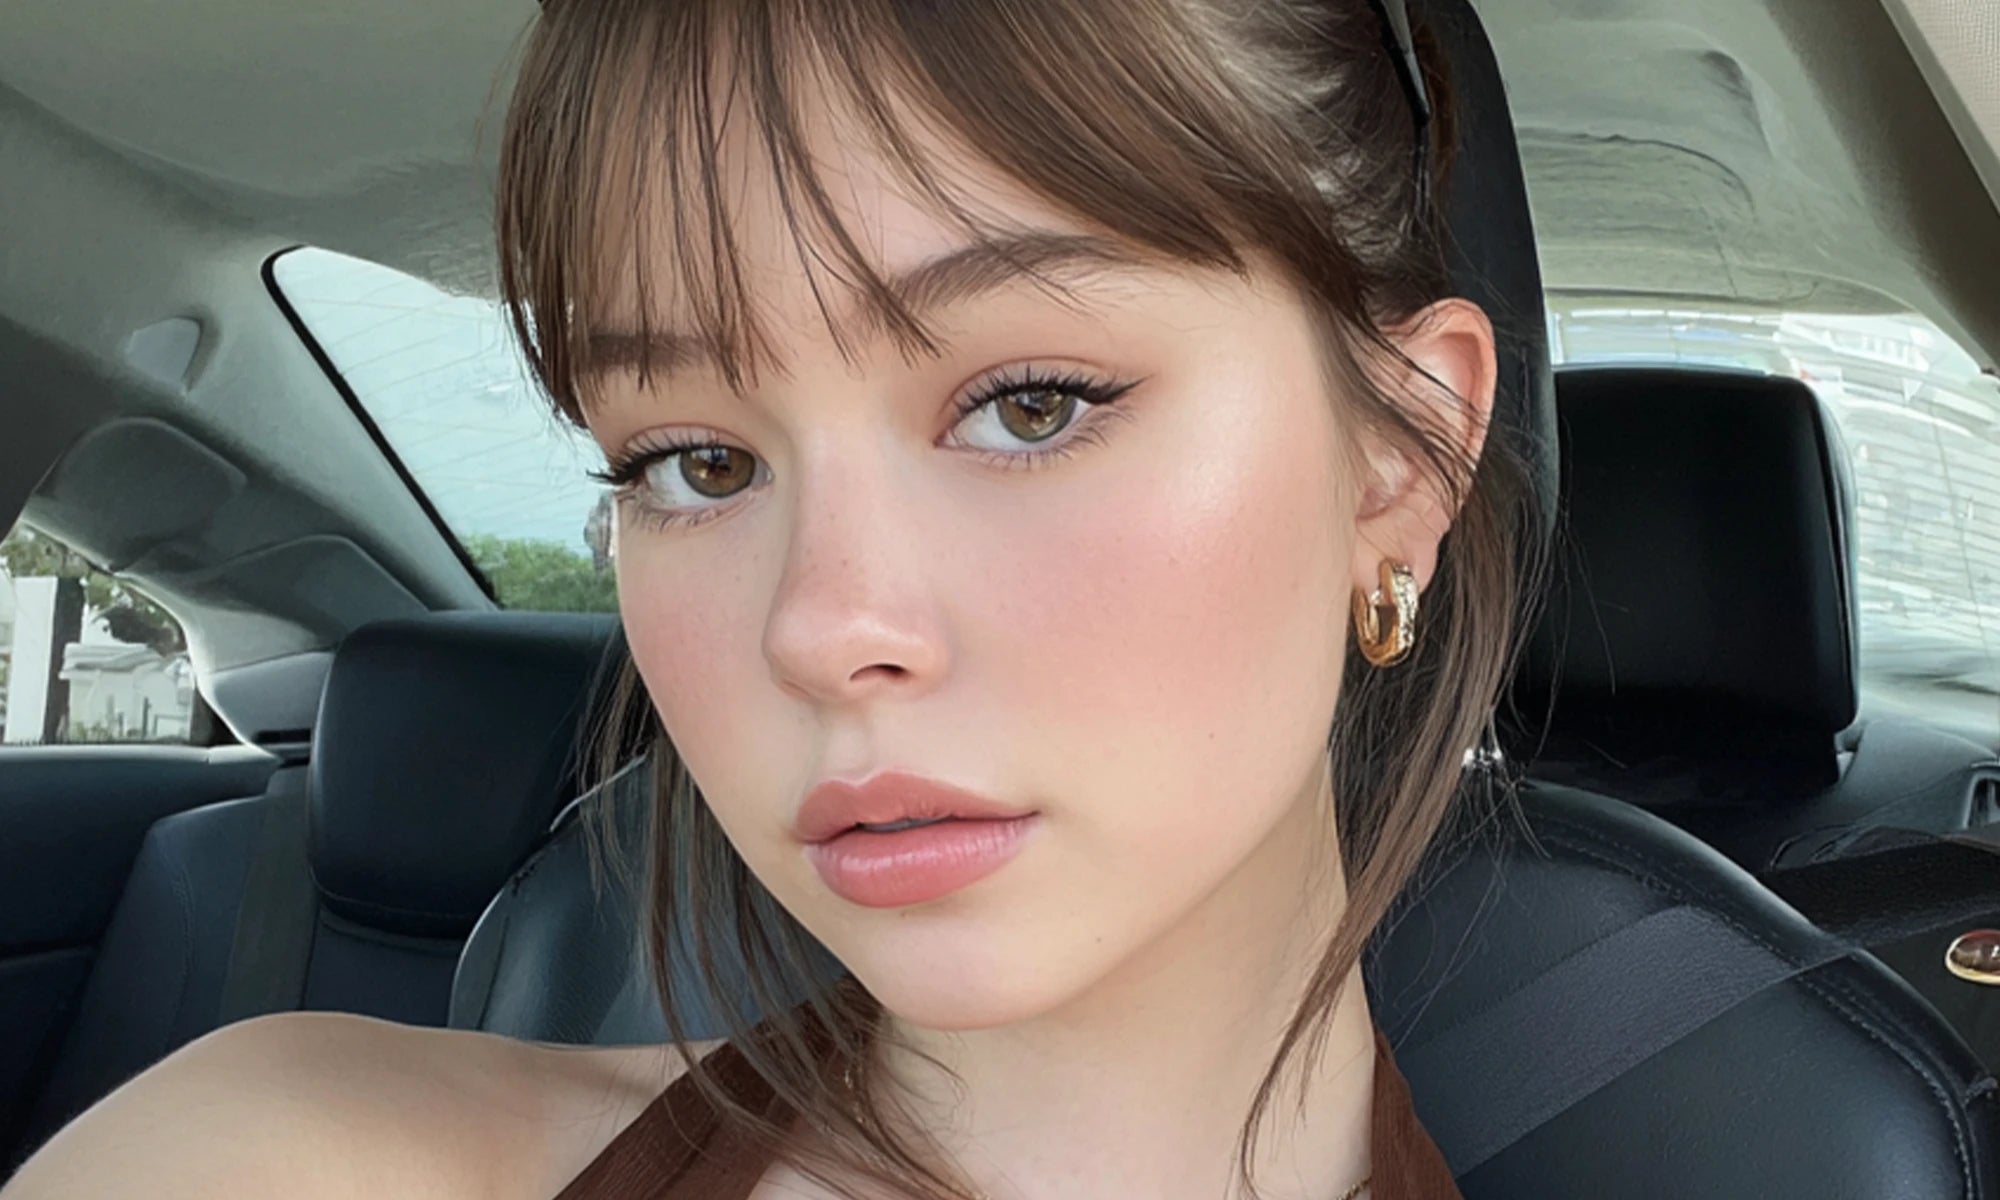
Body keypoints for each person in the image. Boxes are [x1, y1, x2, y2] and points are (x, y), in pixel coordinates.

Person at [4, 0, 1537, 1197]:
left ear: (1400, 458)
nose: (817, 630)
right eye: (698, 463)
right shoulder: (283, 1157)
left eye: (1033, 406)